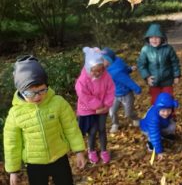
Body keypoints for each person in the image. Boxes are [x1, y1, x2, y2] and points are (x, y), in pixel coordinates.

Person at [3, 55, 86, 185]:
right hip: (34, 163)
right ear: (21, 91)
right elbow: (11, 143)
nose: (37, 96)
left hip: (59, 157)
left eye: (42, 90)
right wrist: (13, 170)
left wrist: (79, 151)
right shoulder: (15, 114)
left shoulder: (58, 103)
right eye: (31, 93)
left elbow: (71, 127)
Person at [75, 47, 115, 164]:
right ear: (88, 68)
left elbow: (110, 90)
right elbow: (84, 95)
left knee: (102, 129)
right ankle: (91, 150)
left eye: (100, 70)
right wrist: (97, 105)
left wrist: (106, 105)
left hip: (103, 107)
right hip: (88, 109)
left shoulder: (106, 76)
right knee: (92, 131)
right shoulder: (83, 80)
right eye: (95, 71)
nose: (98, 73)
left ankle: (103, 150)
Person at [137, 23, 181, 104]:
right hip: (154, 82)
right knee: (155, 101)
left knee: (168, 100)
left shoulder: (168, 49)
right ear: (148, 38)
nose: (154, 40)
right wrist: (147, 77)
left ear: (162, 38)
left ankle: (170, 116)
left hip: (167, 80)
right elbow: (141, 65)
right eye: (152, 38)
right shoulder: (145, 50)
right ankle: (156, 115)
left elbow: (175, 62)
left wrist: (176, 75)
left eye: (157, 37)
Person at [101, 47, 142, 133]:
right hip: (114, 95)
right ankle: (115, 124)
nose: (100, 62)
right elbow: (124, 69)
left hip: (126, 94)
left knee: (128, 113)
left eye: (103, 60)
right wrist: (130, 69)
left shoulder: (115, 72)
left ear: (109, 60)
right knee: (112, 111)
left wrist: (137, 89)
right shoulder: (111, 65)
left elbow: (127, 81)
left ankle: (136, 119)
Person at [139, 92, 179, 160]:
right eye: (163, 111)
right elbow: (154, 134)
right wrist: (159, 152)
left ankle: (165, 136)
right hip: (148, 129)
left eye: (168, 110)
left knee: (172, 125)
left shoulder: (167, 112)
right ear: (158, 109)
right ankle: (150, 144)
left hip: (161, 124)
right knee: (153, 136)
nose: (166, 113)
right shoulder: (153, 118)